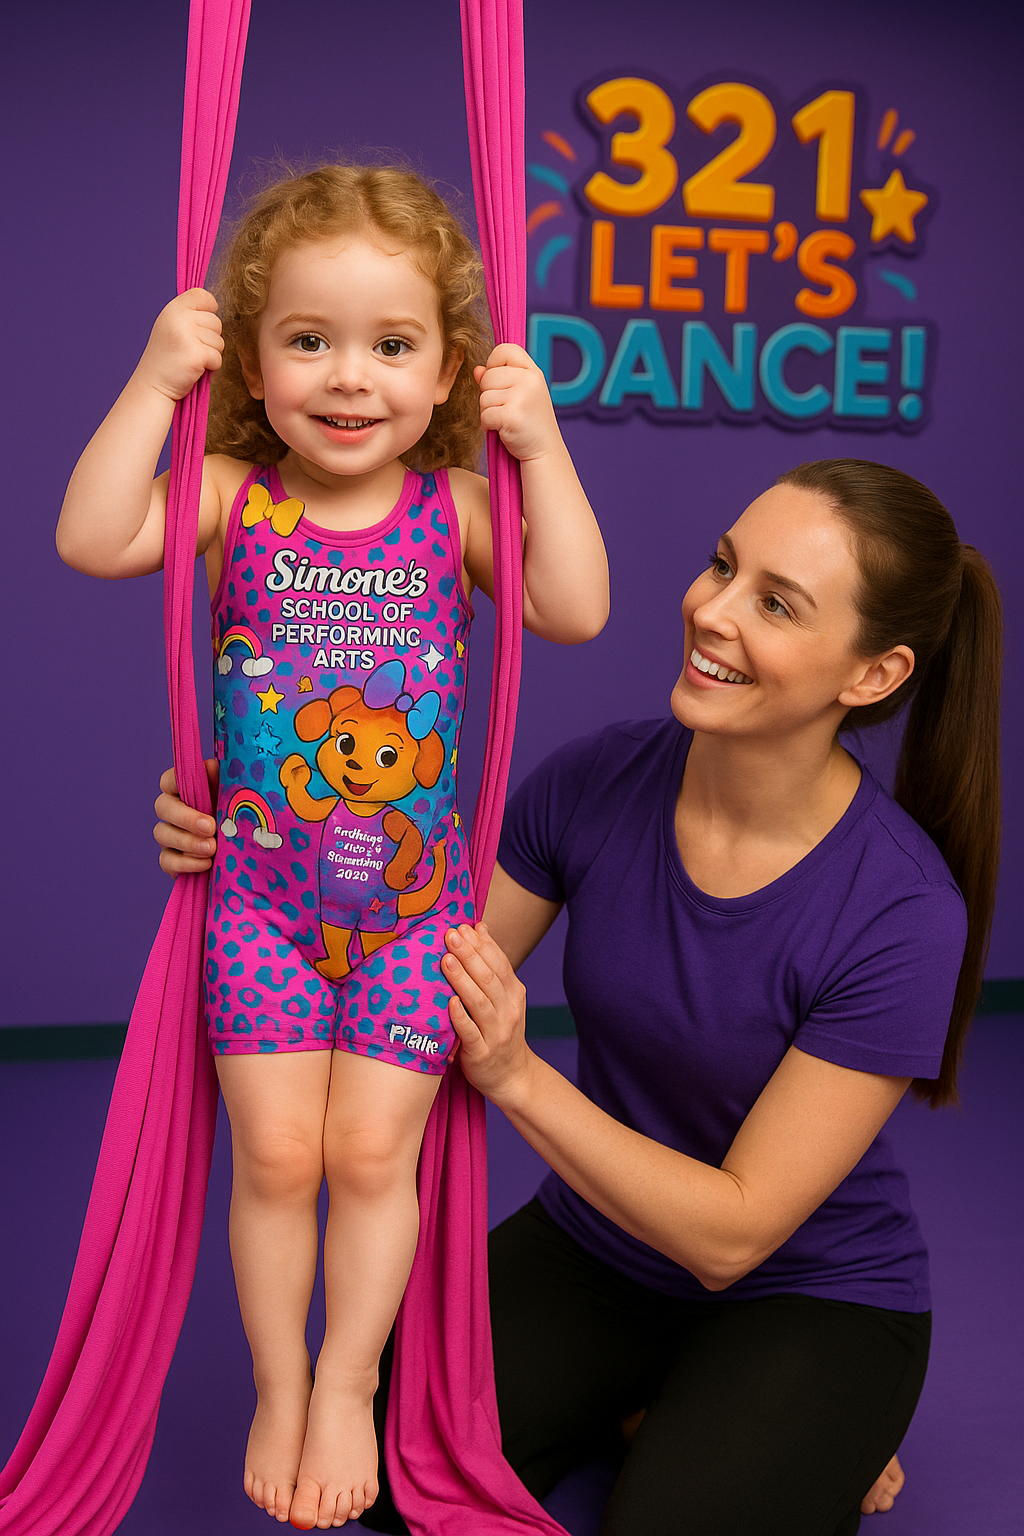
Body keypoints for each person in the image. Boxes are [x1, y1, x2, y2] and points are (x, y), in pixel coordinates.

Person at [153, 457, 1001, 1536]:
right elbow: (408, 975)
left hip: (805, 1286)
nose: (712, 611)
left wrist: (518, 1078)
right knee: (394, 1483)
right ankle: (662, 1397)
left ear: (873, 675)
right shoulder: (596, 780)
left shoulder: (902, 908)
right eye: (723, 566)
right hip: (599, 1248)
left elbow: (733, 1235)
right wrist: (262, 832)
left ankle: (826, 1410)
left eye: (776, 604)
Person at [56, 162, 608, 1532]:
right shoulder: (231, 494)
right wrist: (152, 384)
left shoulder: (458, 511)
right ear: (253, 363)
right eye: (308, 340)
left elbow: (575, 608)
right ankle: (280, 1380)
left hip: (413, 915)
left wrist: (540, 449)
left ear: (449, 372)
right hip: (258, 906)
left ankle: (351, 1380)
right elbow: (93, 537)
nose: (350, 376)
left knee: (369, 1158)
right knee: (277, 1158)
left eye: (393, 345)